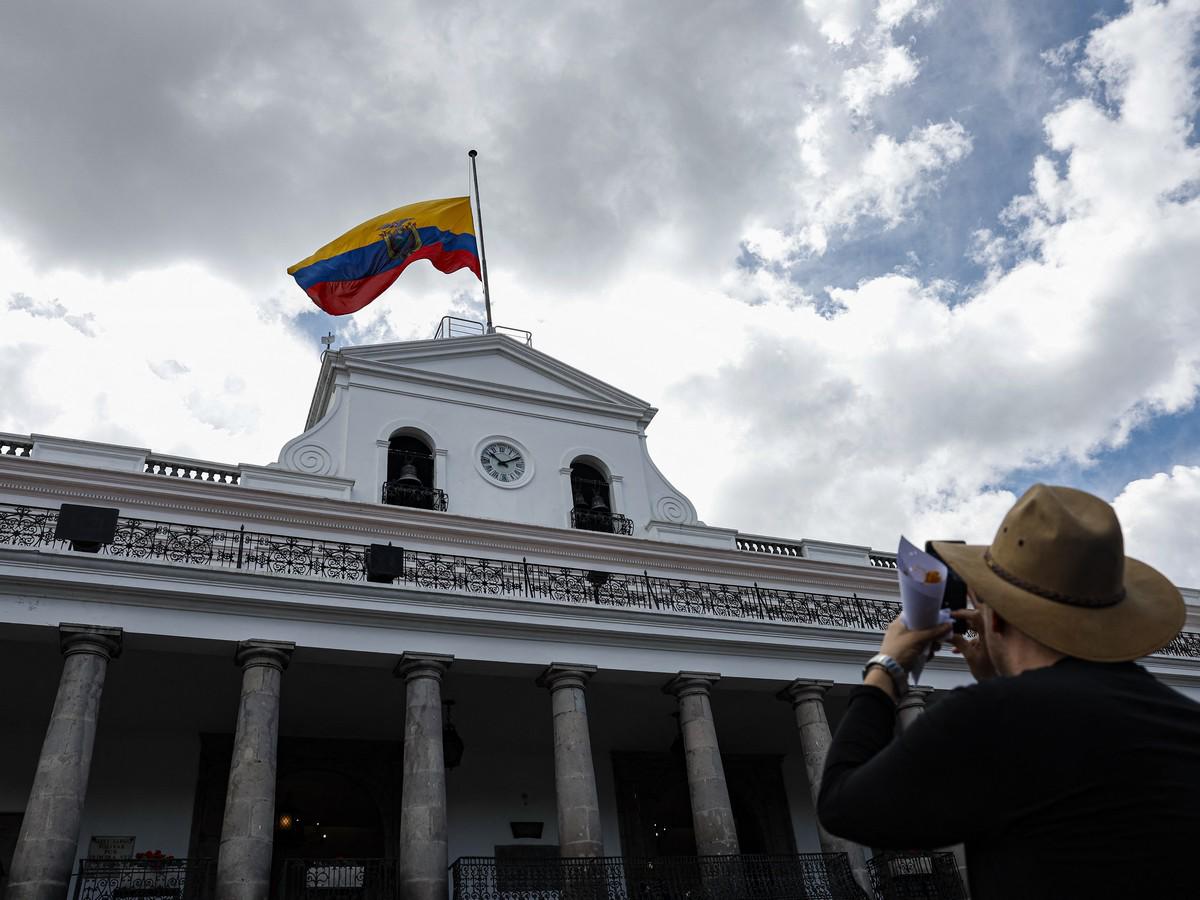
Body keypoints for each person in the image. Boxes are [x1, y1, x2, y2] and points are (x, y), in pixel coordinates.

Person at [817, 484, 1200, 899]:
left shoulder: (993, 715)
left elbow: (842, 806)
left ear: (994, 619)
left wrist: (887, 667)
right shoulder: (1185, 719)